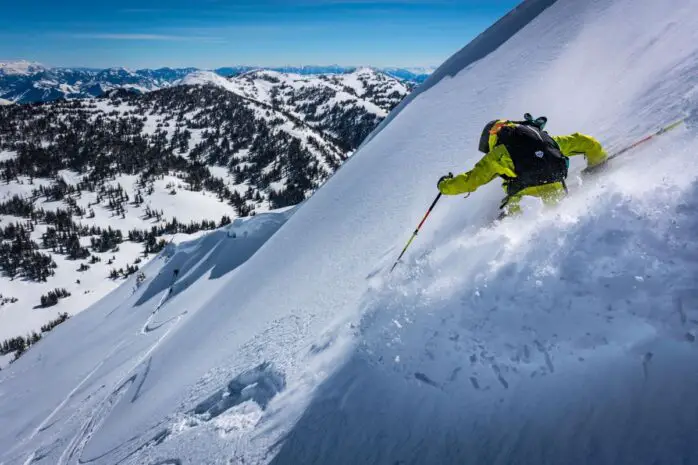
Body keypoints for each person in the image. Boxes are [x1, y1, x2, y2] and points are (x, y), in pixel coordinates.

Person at [437, 114, 608, 215]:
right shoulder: (546, 140)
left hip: (524, 207)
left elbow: (470, 180)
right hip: (559, 194)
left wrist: (444, 186)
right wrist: (597, 164)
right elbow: (585, 141)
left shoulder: (499, 154)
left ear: (492, 138)